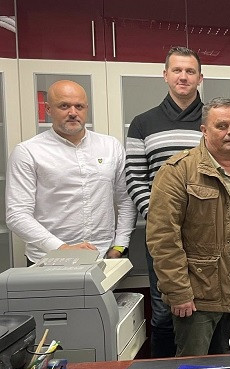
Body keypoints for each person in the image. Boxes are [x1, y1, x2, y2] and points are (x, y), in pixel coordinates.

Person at [146, 98, 230, 357]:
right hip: (198, 298)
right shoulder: (178, 171)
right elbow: (162, 237)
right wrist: (178, 292)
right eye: (222, 126)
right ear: (204, 130)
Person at [125, 46, 204, 358]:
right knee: (163, 312)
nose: (183, 76)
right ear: (165, 75)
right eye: (177, 70)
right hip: (162, 236)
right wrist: (160, 219)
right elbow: (135, 177)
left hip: (206, 235)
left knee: (205, 310)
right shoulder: (143, 123)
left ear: (200, 77)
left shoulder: (213, 120)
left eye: (190, 71)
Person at [6, 80, 136, 263]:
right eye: (64, 106)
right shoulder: (28, 152)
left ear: (86, 109)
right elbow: (17, 215)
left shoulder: (110, 146)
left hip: (103, 256)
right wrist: (62, 249)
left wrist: (120, 245)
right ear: (48, 109)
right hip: (48, 259)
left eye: (79, 106)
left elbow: (126, 199)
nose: (73, 112)